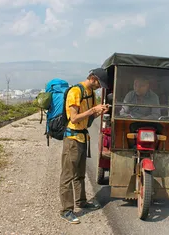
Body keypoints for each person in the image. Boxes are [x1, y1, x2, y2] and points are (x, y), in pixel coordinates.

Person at [60, 68, 109, 224]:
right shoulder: (75, 91)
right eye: (100, 84)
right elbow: (74, 118)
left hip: (82, 137)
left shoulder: (91, 93)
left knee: (80, 174)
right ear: (93, 79)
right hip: (72, 139)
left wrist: (99, 111)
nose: (100, 87)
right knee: (68, 176)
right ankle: (66, 210)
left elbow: (90, 116)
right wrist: (93, 109)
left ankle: (81, 201)